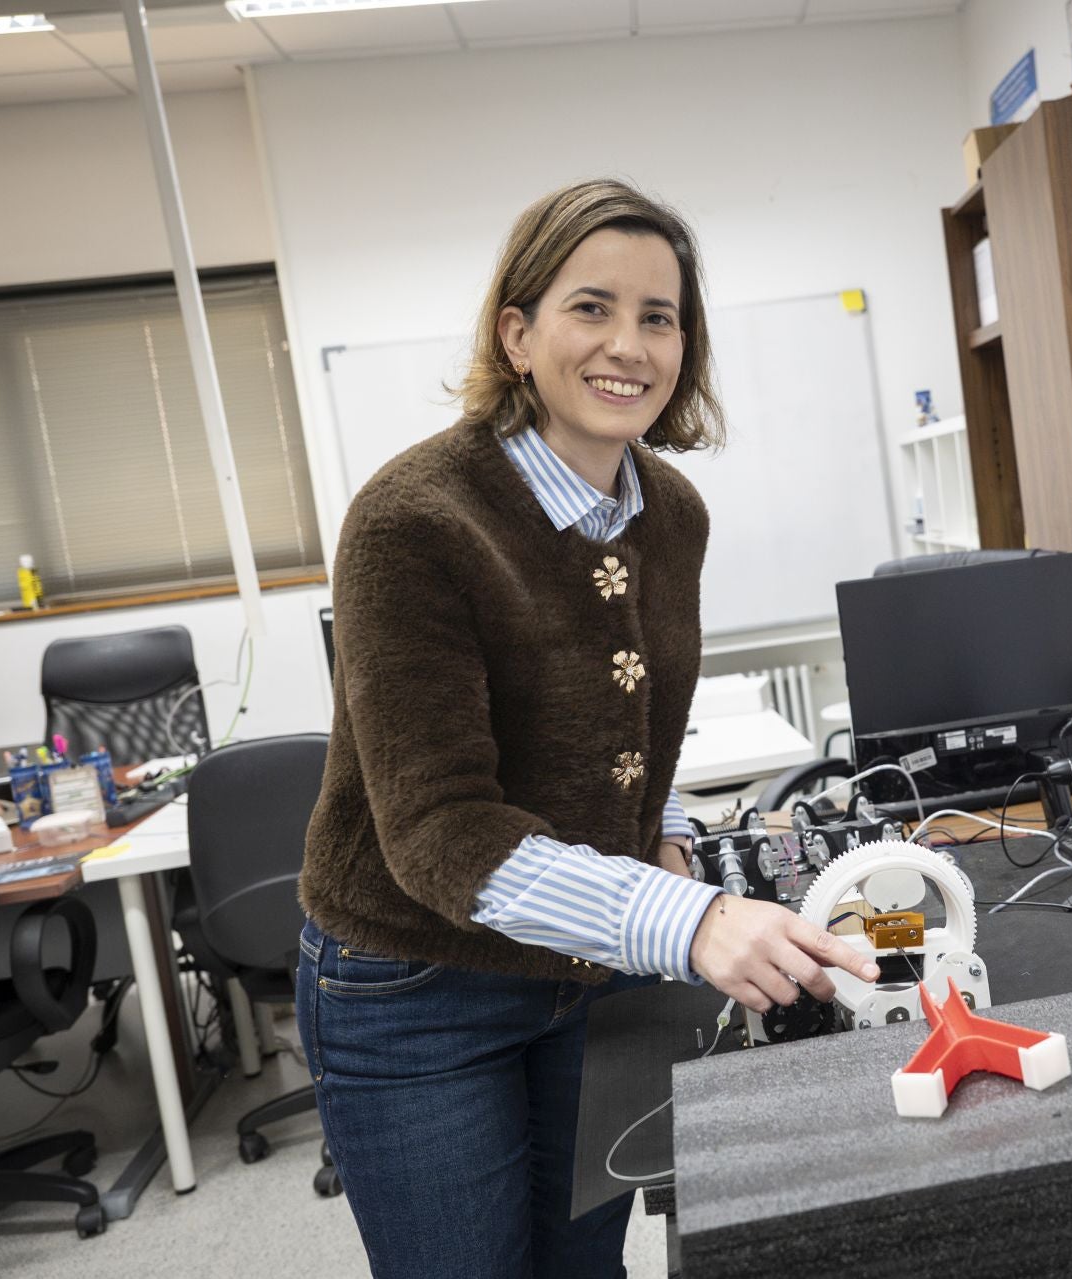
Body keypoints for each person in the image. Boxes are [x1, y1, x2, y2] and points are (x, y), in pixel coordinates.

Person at [295, 178, 879, 1279]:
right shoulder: (412, 520)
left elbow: (636, 721)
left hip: (590, 965)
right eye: (592, 307)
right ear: (517, 333)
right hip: (417, 980)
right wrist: (691, 920)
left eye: (660, 316)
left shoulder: (673, 512)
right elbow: (438, 832)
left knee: (586, 1269)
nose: (630, 345)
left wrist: (659, 836)